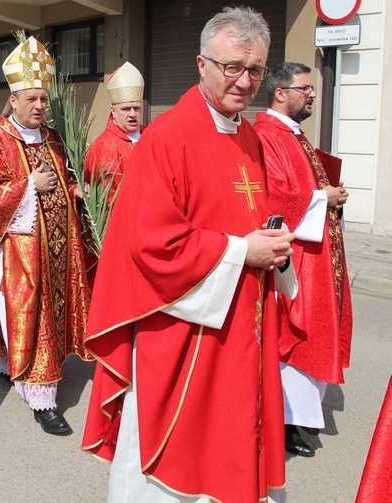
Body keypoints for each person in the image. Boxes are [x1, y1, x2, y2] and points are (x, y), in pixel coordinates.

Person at [81, 7, 298, 502]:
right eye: (232, 67)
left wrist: (275, 249)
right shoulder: (167, 137)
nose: (245, 81)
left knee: (234, 438)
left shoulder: (250, 136)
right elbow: (152, 245)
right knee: (178, 454)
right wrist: (244, 251)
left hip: (242, 322)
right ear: (201, 64)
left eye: (256, 70)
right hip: (182, 329)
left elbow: (251, 218)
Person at [0, 36, 92, 436]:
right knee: (32, 315)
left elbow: (62, 184)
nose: (38, 106)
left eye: (43, 100)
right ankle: (42, 398)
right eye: (30, 99)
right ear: (13, 100)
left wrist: (75, 192)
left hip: (58, 249)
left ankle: (15, 364)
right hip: (19, 252)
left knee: (53, 312)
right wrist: (27, 185)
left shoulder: (53, 139)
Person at [255, 62, 353, 458]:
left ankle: (300, 419)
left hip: (318, 254)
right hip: (297, 258)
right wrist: (321, 199)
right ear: (281, 92)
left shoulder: (295, 135)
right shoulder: (266, 135)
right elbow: (273, 198)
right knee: (294, 337)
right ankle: (287, 422)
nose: (312, 94)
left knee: (314, 332)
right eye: (305, 88)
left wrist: (331, 195)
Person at [85, 61, 145, 201]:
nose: (132, 114)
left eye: (136, 108)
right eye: (125, 109)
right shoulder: (102, 146)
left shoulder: (151, 136)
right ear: (113, 111)